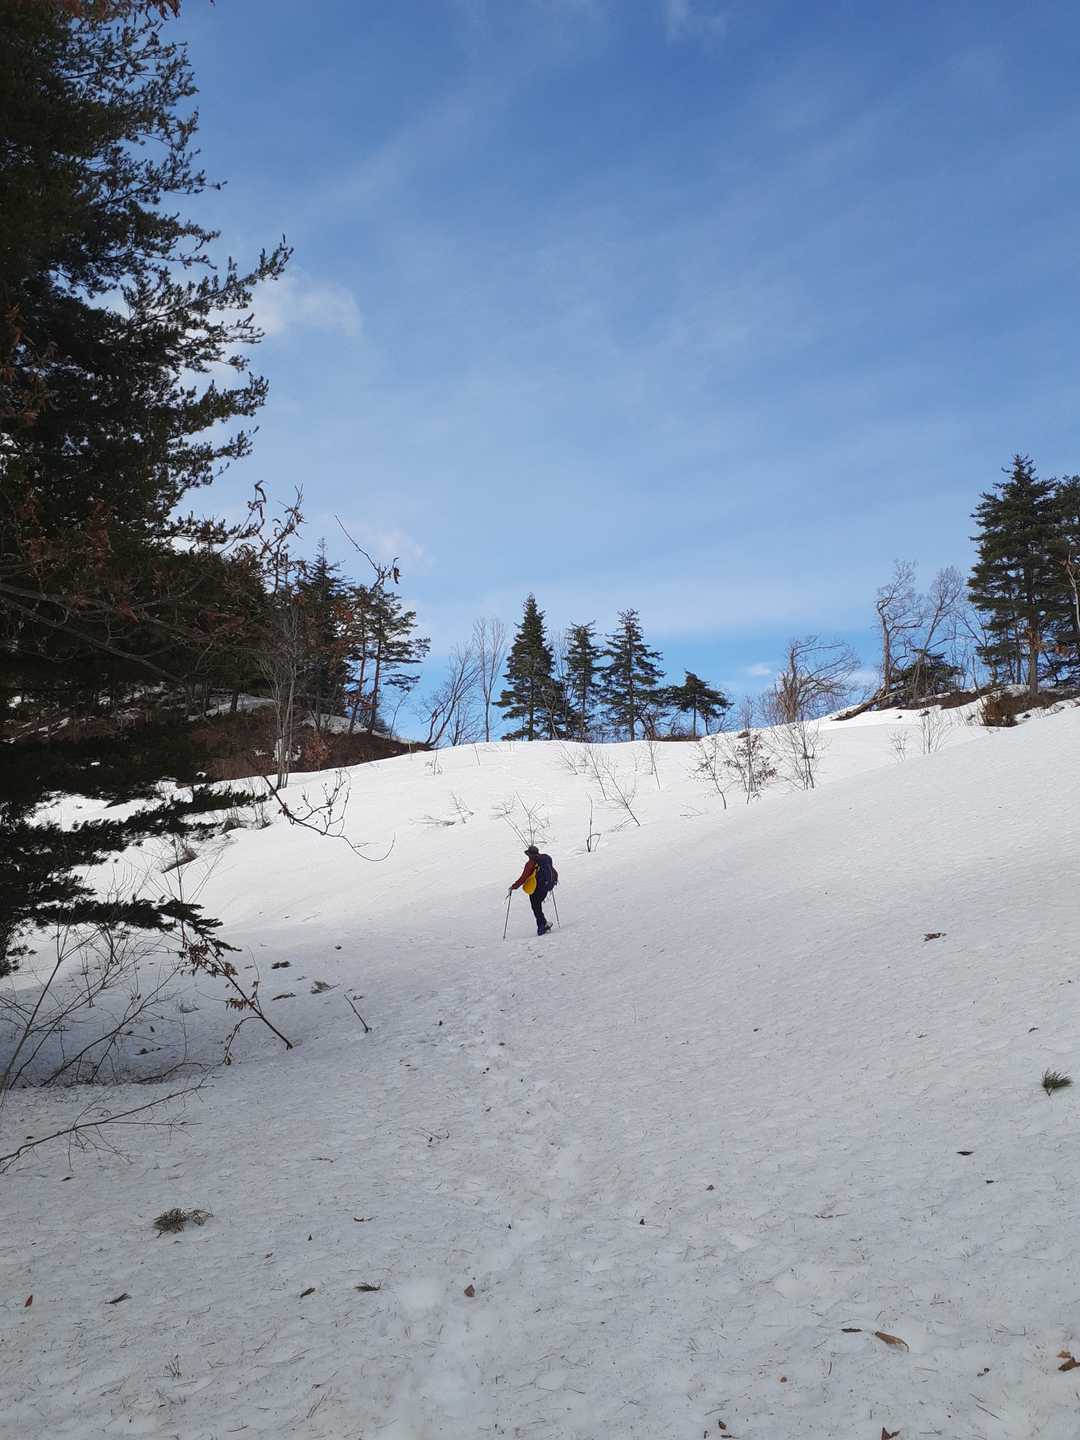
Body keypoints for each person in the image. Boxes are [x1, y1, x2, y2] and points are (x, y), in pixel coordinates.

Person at [508, 844, 558, 936]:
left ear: (530, 855)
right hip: (545, 888)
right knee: (537, 907)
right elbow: (553, 871)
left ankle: (541, 927)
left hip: (535, 888)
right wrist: (553, 881)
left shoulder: (530, 864)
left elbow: (523, 878)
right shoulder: (545, 859)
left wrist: (514, 886)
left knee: (536, 907)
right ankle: (544, 924)